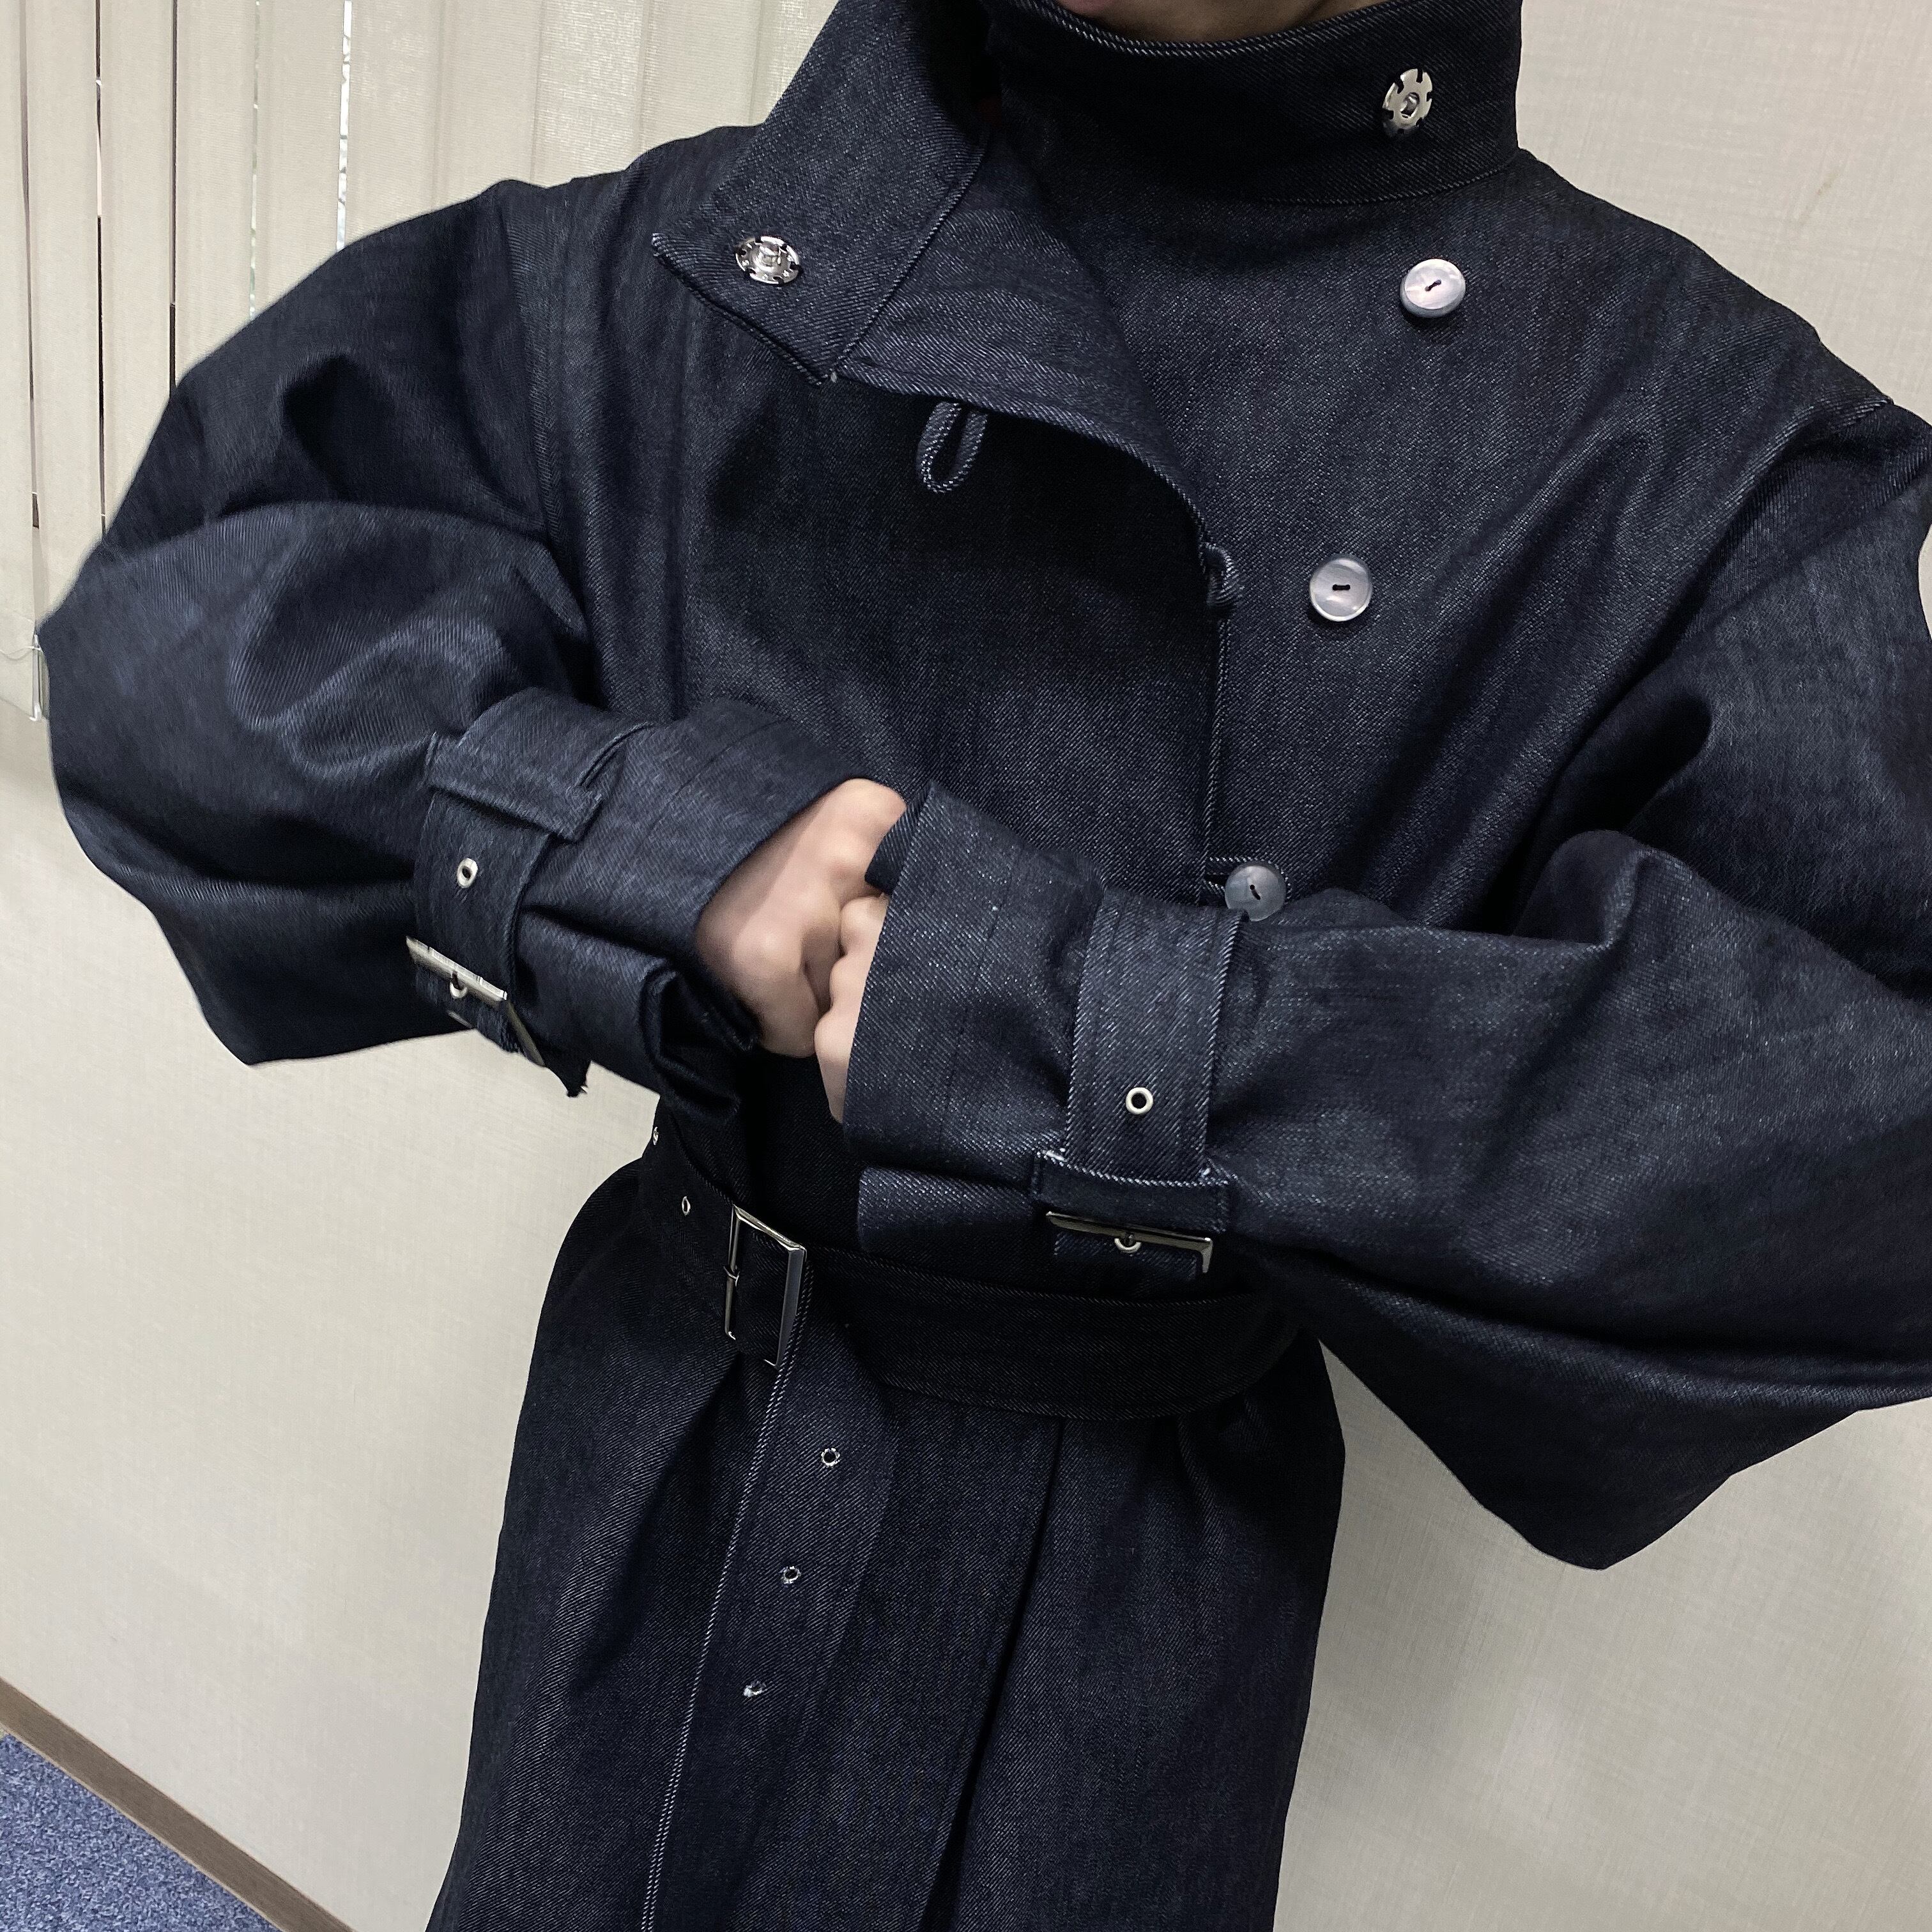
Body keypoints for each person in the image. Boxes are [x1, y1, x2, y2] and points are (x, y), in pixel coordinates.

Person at [37, 0, 1932, 1923]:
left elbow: (1853, 1138)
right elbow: (169, 647)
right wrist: (644, 842)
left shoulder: (1680, 436)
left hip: (1138, 1565)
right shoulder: (702, 266)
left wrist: (1087, 1024)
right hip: (671, 1418)